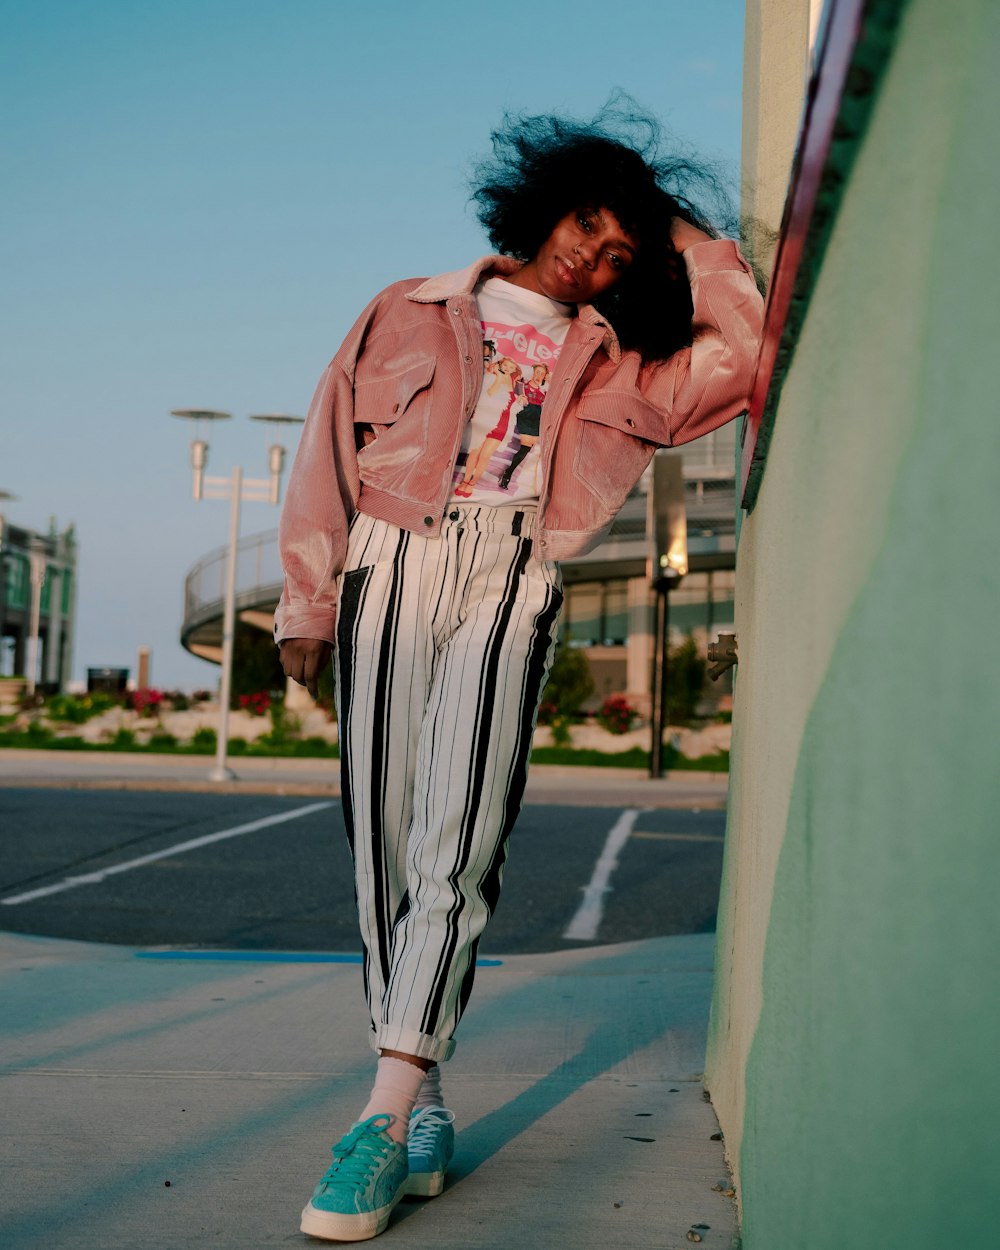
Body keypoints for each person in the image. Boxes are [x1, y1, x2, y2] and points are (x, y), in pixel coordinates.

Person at [275, 103, 763, 1242]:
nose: (596, 252)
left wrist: (690, 237)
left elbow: (741, 358)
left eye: (623, 248)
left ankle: (381, 1120)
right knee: (383, 851)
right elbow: (321, 451)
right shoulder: (408, 306)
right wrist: (306, 599)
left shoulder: (626, 360)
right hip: (387, 562)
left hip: (513, 573)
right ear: (546, 201)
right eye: (593, 222)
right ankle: (425, 1090)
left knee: (460, 838)